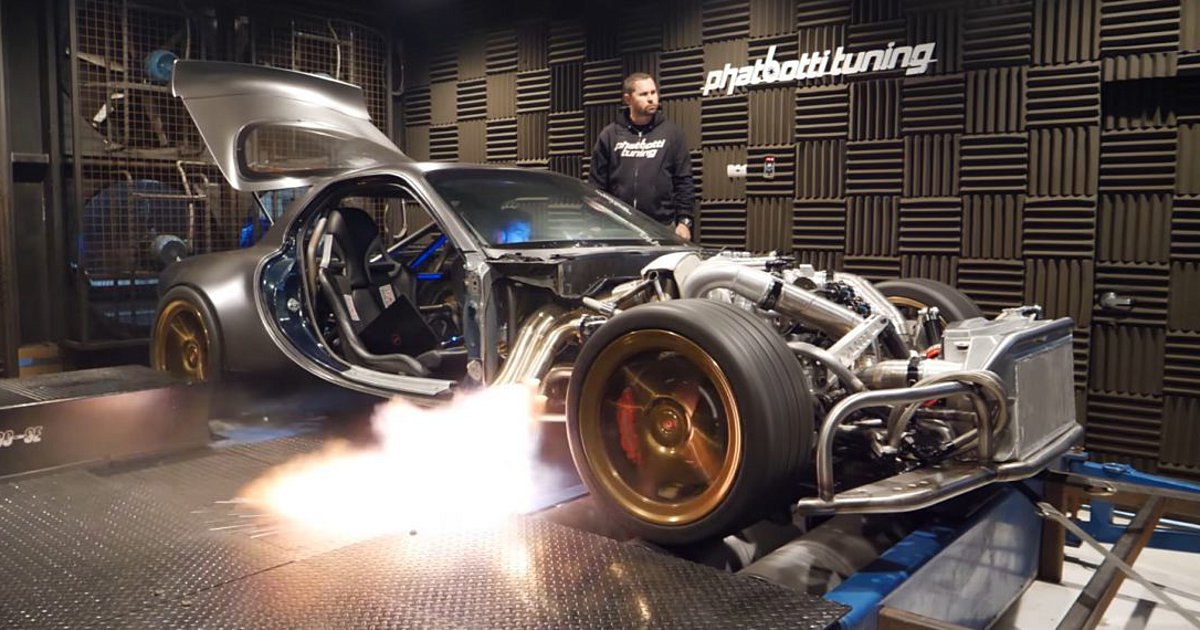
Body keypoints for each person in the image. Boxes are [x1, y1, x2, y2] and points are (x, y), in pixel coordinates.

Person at [589, 73, 696, 240]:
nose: (651, 98)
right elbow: (597, 185)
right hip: (618, 227)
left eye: (653, 92)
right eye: (644, 94)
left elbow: (684, 181)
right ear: (628, 99)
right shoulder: (610, 135)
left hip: (662, 227)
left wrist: (684, 222)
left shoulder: (672, 134)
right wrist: (595, 221)